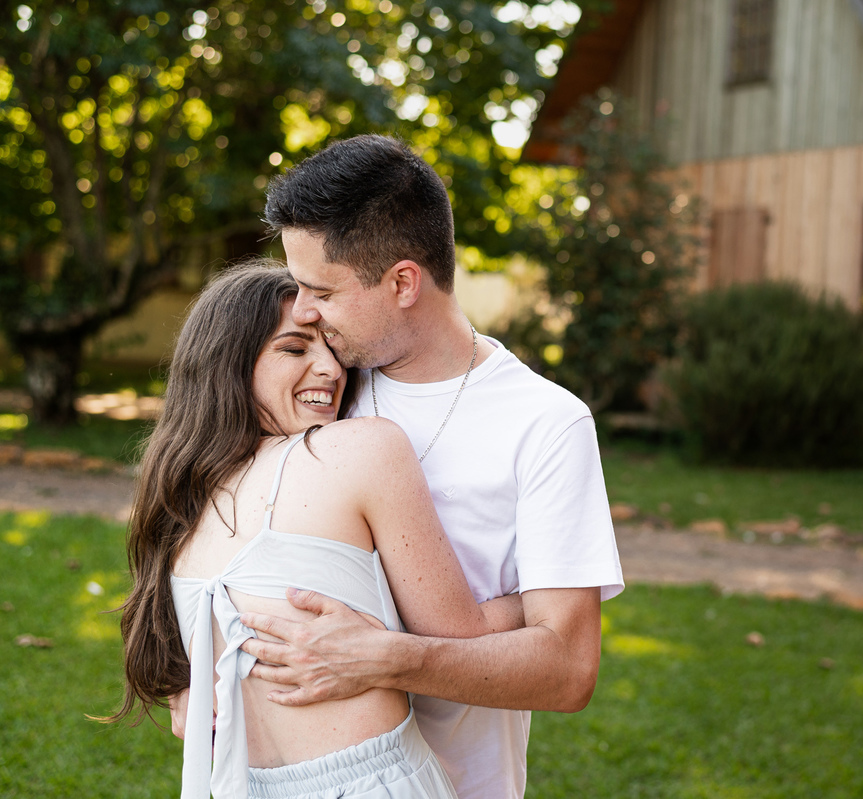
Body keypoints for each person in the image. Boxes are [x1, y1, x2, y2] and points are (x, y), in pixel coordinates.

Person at [233, 134, 625, 798]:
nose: (302, 310)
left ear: (403, 282)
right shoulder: (319, 386)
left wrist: (389, 659)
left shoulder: (545, 424)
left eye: (320, 289)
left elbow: (567, 671)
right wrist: (176, 668)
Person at [112, 263, 526, 798]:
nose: (331, 369)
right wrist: (539, 602)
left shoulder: (180, 502)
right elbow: (457, 644)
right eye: (294, 348)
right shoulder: (361, 447)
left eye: (333, 349)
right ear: (227, 362)